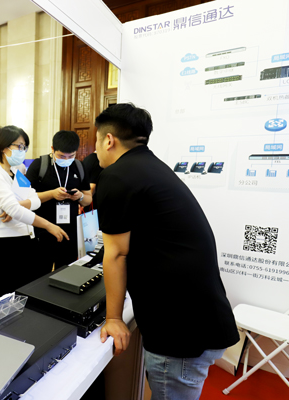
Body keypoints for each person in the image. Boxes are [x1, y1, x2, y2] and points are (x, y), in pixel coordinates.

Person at [94, 103, 239, 400]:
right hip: (197, 316)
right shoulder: (151, 167)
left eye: (96, 140)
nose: (95, 149)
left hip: (179, 330)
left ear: (109, 140)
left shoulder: (117, 175)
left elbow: (116, 253)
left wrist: (114, 318)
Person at [0, 125, 70, 301]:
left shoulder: (17, 172)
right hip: (3, 244)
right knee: (2, 295)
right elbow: (14, 209)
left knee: (23, 291)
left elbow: (34, 198)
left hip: (24, 239)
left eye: (24, 147)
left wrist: (20, 205)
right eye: (19, 146)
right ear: (3, 147)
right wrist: (48, 225)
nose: (22, 151)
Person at [27, 130, 92, 272]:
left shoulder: (79, 167)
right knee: (39, 272)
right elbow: (25, 199)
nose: (66, 159)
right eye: (62, 156)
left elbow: (88, 199)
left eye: (71, 156)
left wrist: (80, 196)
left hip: (70, 232)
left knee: (66, 272)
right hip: (42, 229)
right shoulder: (39, 165)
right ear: (52, 149)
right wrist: (51, 194)